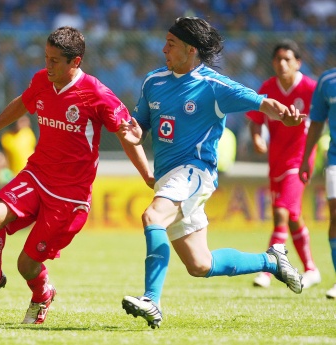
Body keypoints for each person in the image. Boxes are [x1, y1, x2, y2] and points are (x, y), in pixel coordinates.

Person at [118, 17, 305, 329]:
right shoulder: (153, 81)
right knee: (200, 264)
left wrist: (283, 116)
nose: (163, 48)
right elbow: (139, 128)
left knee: (153, 217)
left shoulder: (214, 86)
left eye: (171, 44)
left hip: (195, 172)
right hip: (169, 178)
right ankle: (271, 260)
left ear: (191, 50)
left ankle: (151, 300)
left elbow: (261, 103)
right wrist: (133, 132)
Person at [0, 26, 150, 324]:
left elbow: (128, 137)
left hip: (70, 195)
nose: (47, 66)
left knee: (27, 265)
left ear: (75, 62)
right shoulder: (42, 80)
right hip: (37, 174)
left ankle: (42, 295)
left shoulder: (97, 94)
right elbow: (22, 103)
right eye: (46, 58)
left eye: (54, 61)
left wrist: (148, 176)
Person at [246, 39, 320, 289]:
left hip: (299, 160)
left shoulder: (310, 89)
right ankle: (311, 268)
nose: (282, 63)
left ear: (298, 62)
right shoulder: (268, 87)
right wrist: (257, 138)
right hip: (276, 160)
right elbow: (255, 118)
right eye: (278, 59)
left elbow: (323, 119)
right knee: (293, 217)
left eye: (288, 59)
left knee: (280, 212)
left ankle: (268, 269)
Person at [300, 67, 336, 299]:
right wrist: (306, 159)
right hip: (335, 158)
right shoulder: (327, 80)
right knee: (335, 215)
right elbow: (316, 122)